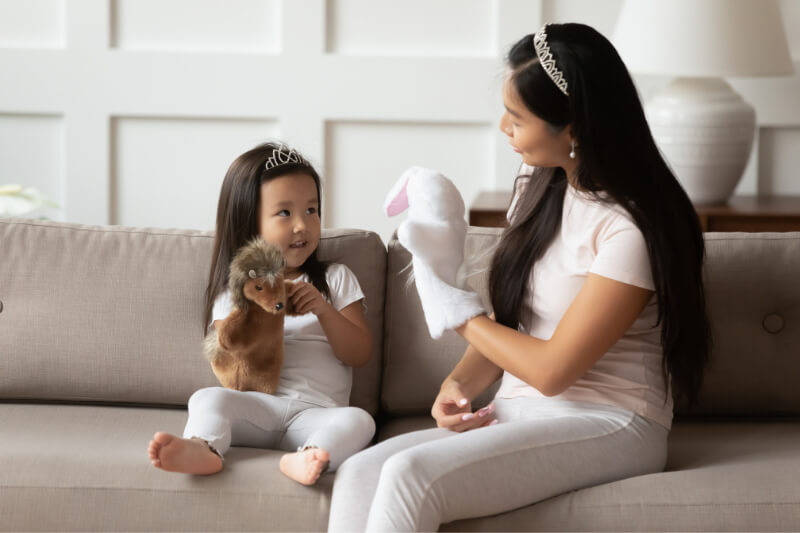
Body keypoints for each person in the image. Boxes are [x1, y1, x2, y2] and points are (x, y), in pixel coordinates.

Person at [328, 22, 711, 531]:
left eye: (517, 118)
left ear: (573, 128)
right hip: (518, 411)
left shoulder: (629, 229)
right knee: (360, 471)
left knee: (410, 473)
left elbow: (554, 371)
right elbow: (514, 325)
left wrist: (452, 307)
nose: (504, 129)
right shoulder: (539, 185)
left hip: (611, 422)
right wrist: (457, 384)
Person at [148, 142, 375, 485]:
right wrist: (265, 308)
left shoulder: (334, 278)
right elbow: (232, 358)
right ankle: (203, 448)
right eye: (285, 213)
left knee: (360, 421)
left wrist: (322, 309)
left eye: (312, 210)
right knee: (206, 398)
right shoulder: (234, 291)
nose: (302, 225)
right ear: (248, 222)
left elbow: (359, 353)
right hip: (257, 410)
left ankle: (307, 457)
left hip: (318, 415)